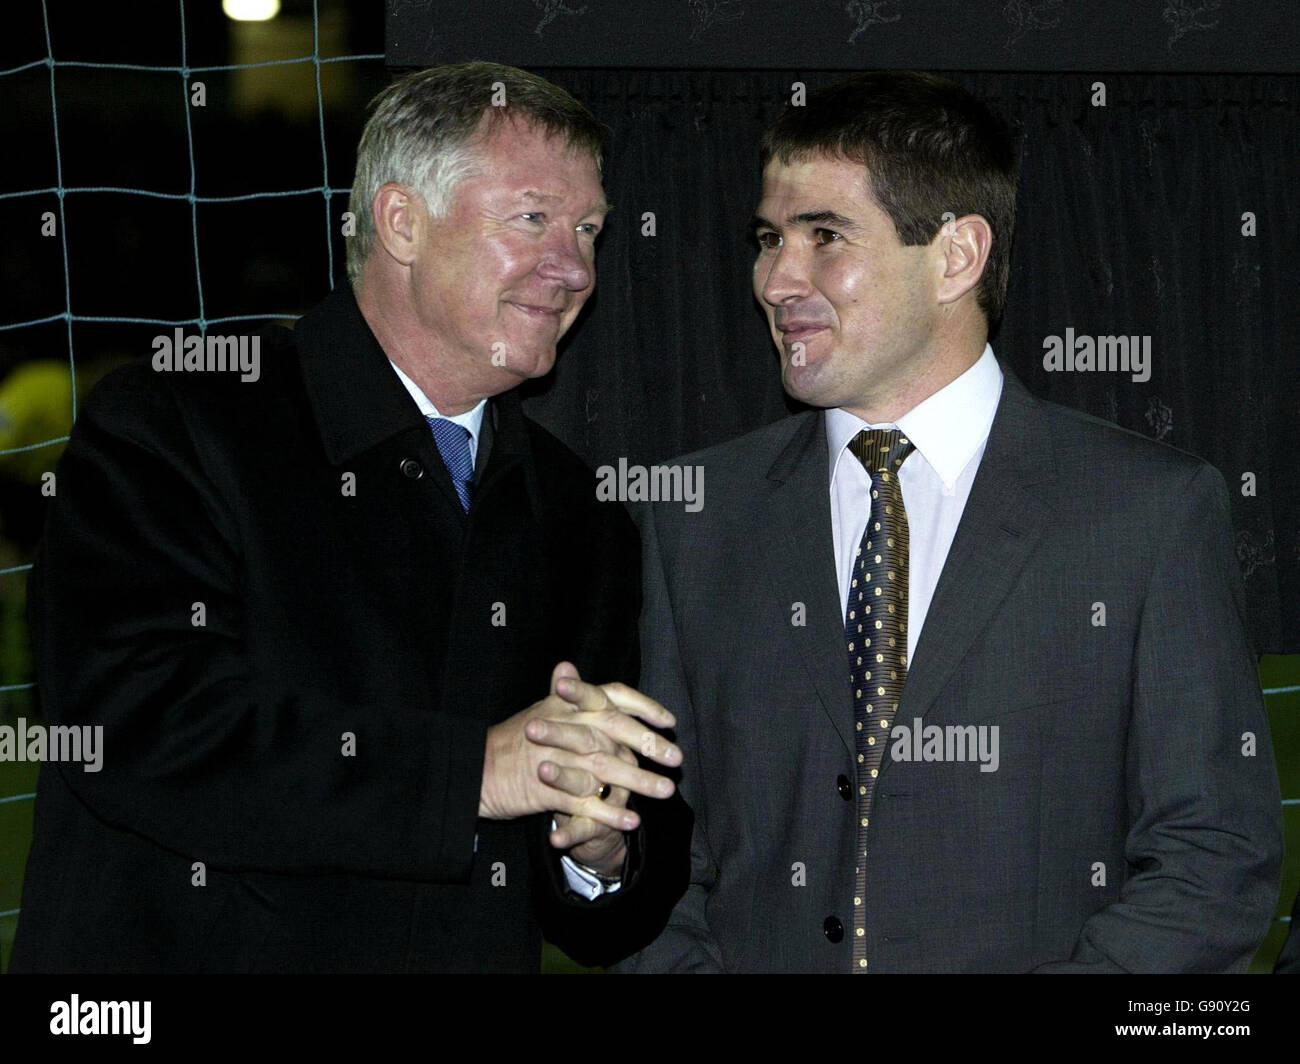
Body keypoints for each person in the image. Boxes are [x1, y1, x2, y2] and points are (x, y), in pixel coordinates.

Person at [10, 62, 689, 974]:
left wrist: (602, 851)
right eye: (532, 218)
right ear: (401, 222)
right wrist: (468, 774)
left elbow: (610, 911)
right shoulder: (180, 420)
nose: (574, 268)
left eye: (590, 230)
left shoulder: (579, 512)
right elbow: (138, 726)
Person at [618, 71, 1282, 973]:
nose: (777, 278)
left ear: (957, 255)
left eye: (825, 236)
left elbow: (1212, 859)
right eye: (769, 239)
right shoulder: (694, 519)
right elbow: (657, 853)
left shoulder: (1145, 513)